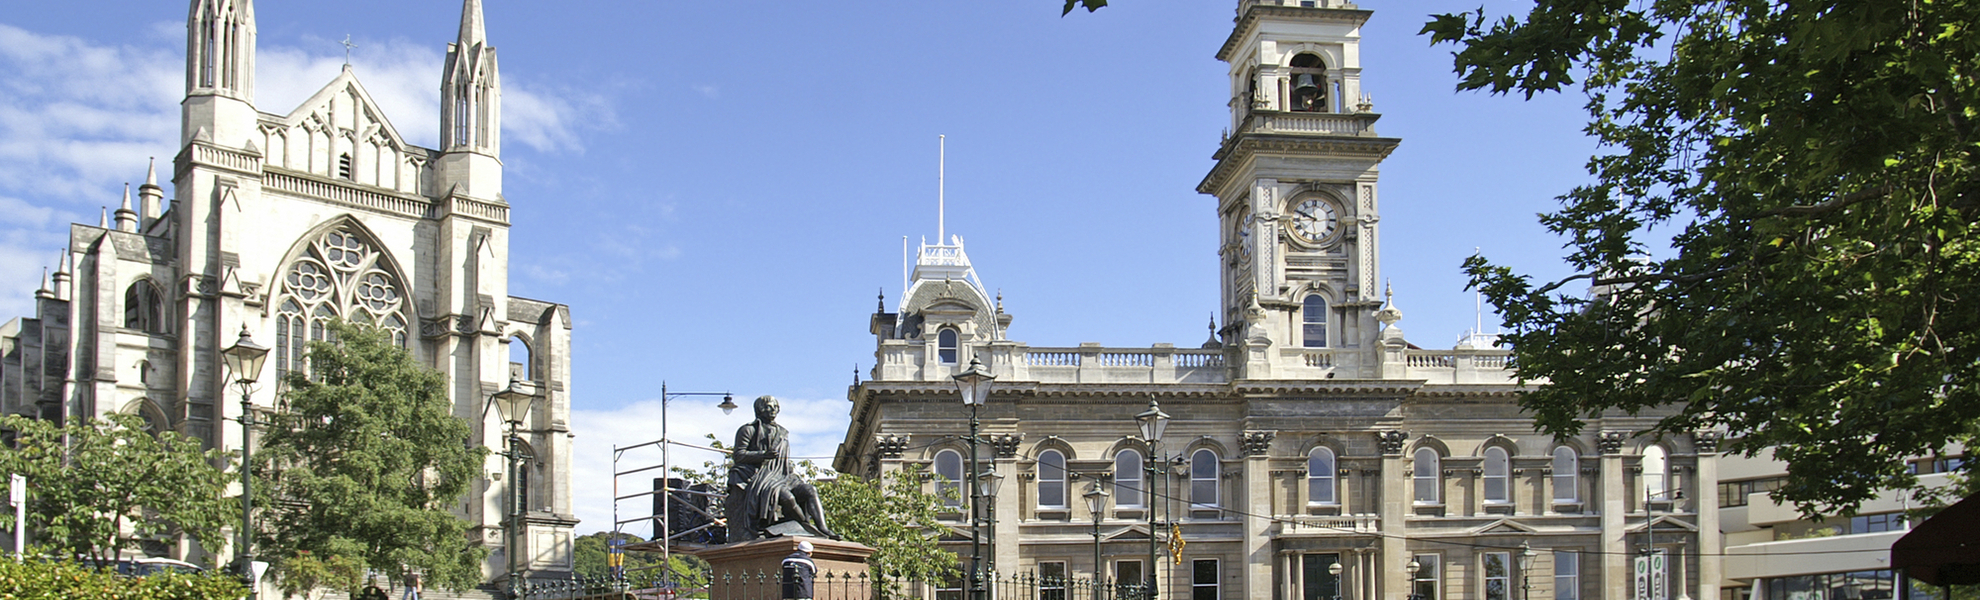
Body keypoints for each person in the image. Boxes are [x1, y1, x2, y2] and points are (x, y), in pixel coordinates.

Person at [726, 396, 838, 541]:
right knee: (788, 498)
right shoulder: (748, 430)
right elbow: (739, 455)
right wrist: (763, 455)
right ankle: (805, 526)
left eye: (775, 407)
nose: (772, 410)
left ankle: (823, 529)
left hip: (783, 474)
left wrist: (789, 471)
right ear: (759, 410)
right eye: (768, 407)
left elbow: (783, 459)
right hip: (761, 475)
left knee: (810, 490)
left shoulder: (782, 432)